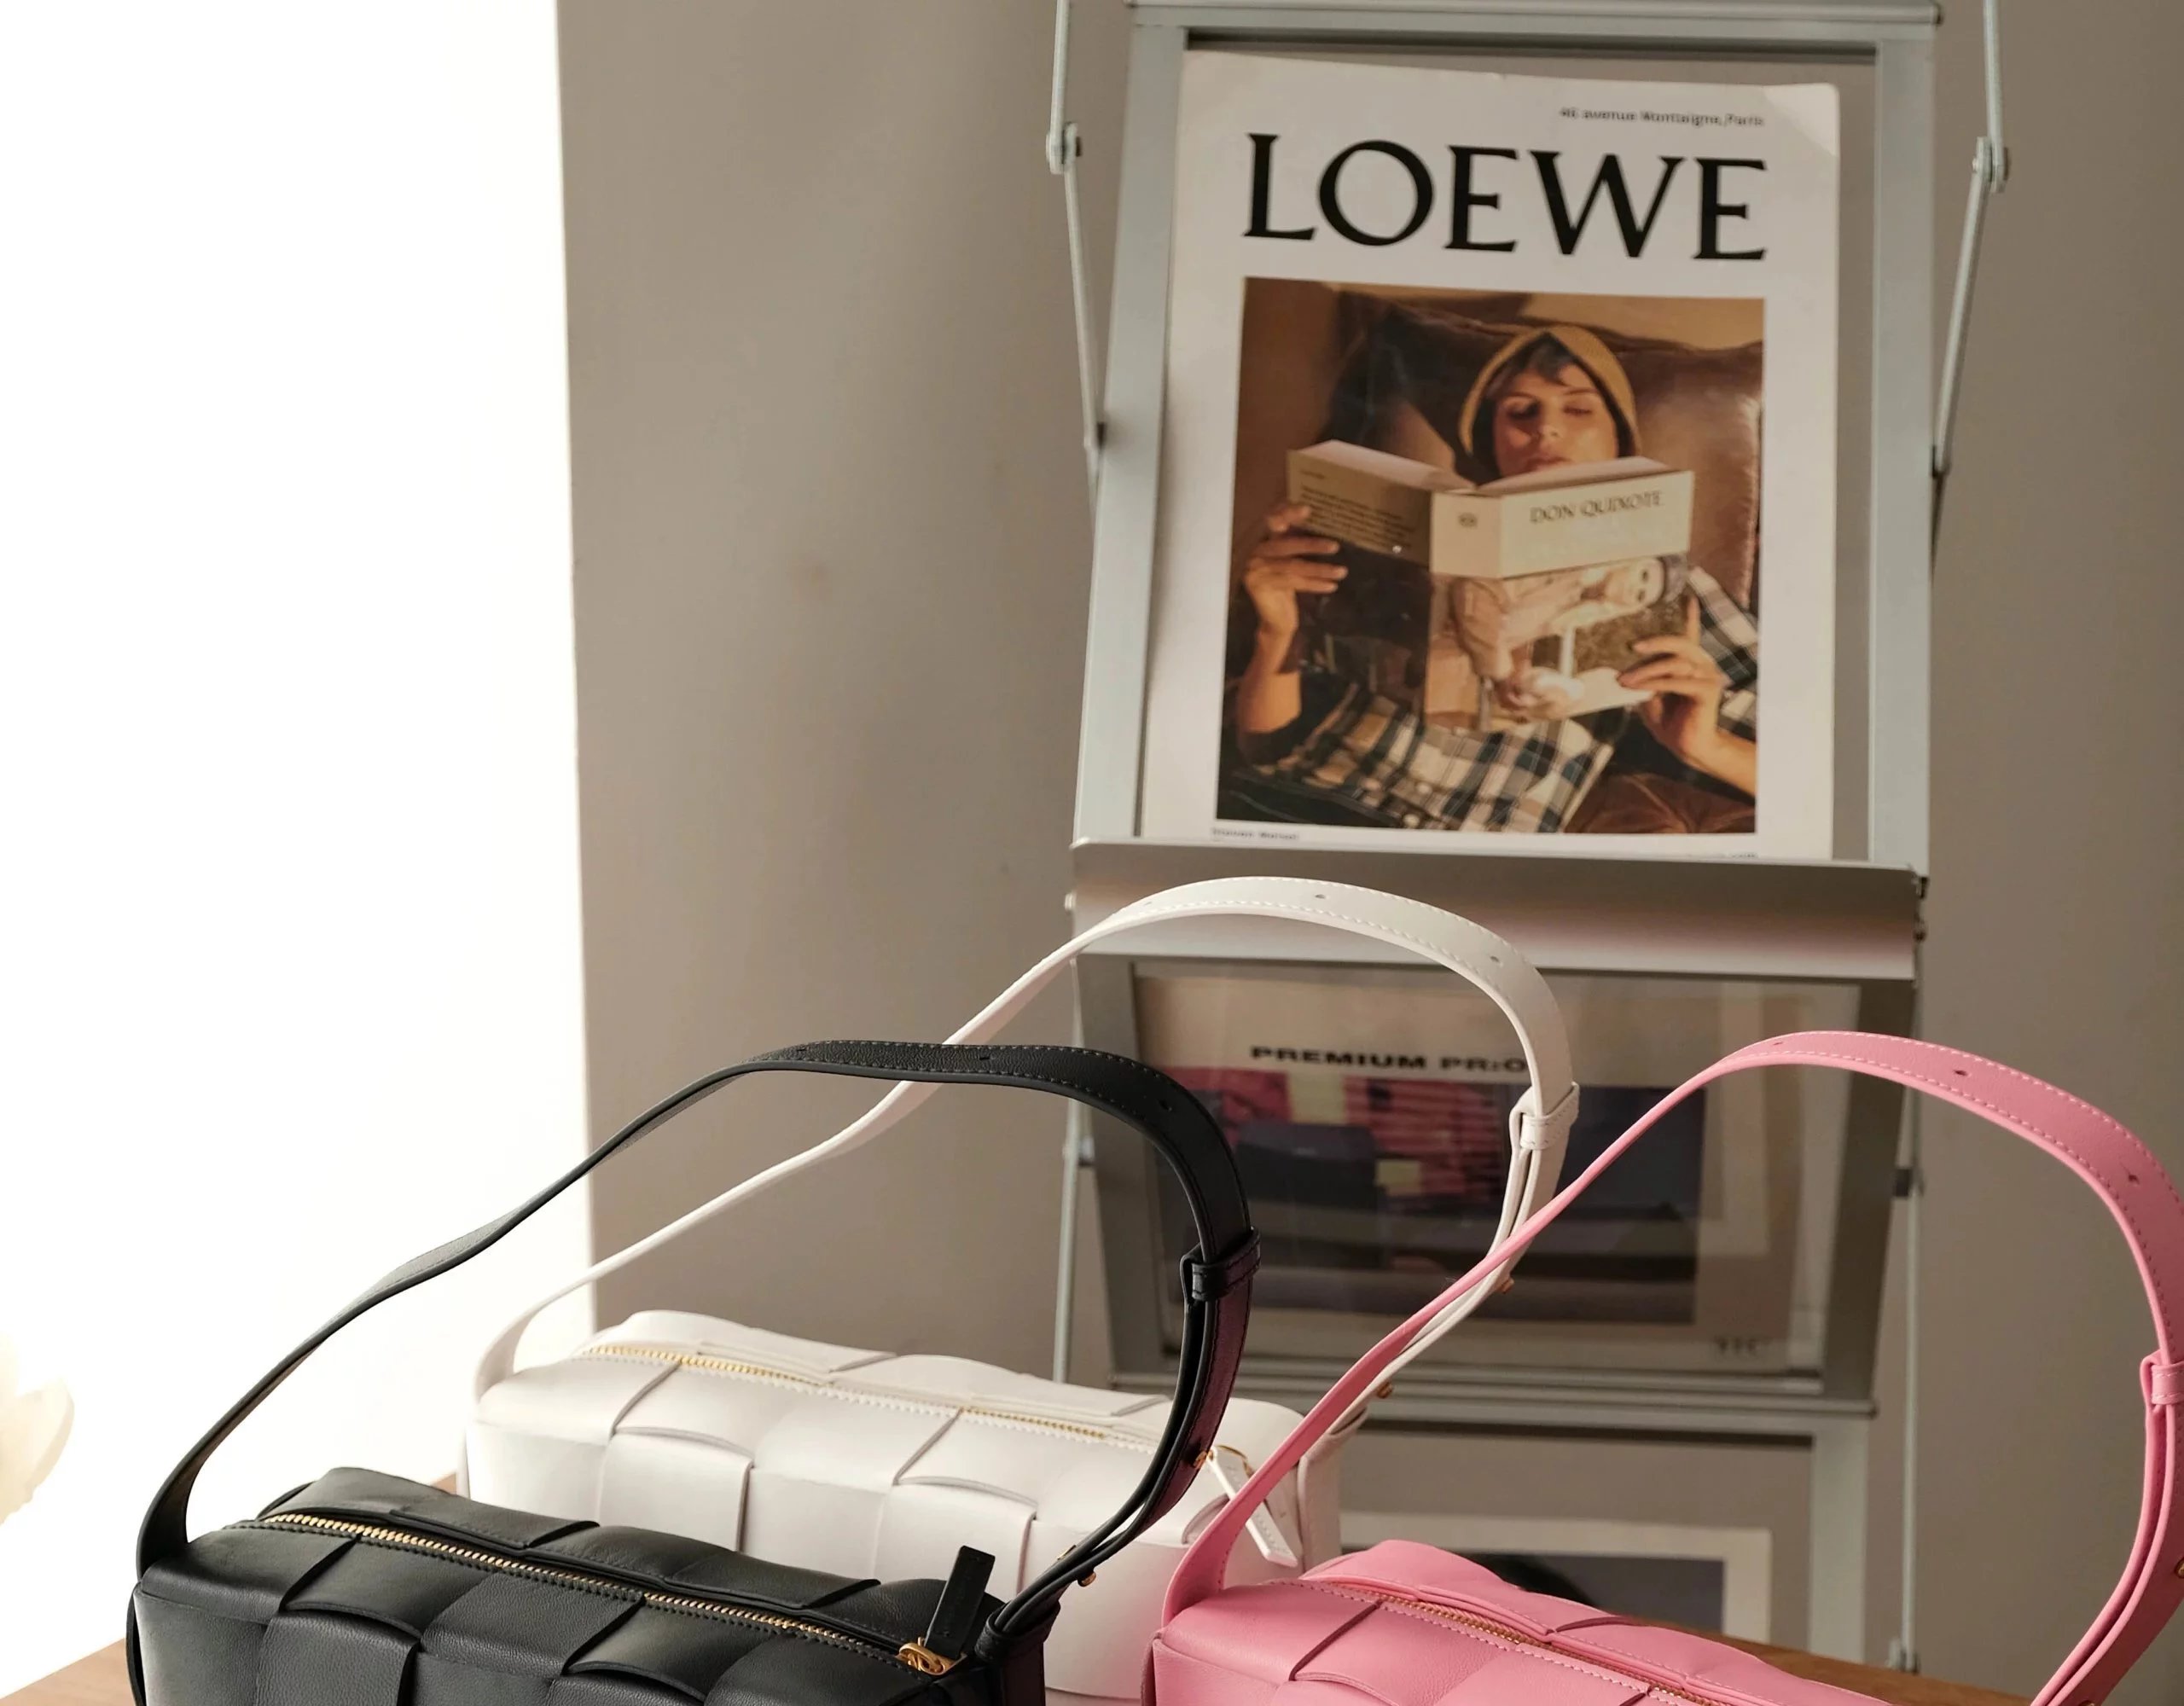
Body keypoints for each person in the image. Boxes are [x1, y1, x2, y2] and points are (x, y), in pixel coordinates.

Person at [1231, 324, 1758, 833]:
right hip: (1292, 807)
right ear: (1492, 443)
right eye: (1520, 411)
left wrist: (1706, 746)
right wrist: (1277, 633)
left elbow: (1802, 777)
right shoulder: (1392, 541)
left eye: (1578, 409)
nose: (1545, 429)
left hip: (1459, 850)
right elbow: (1264, 748)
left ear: (1620, 442)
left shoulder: (1665, 579)